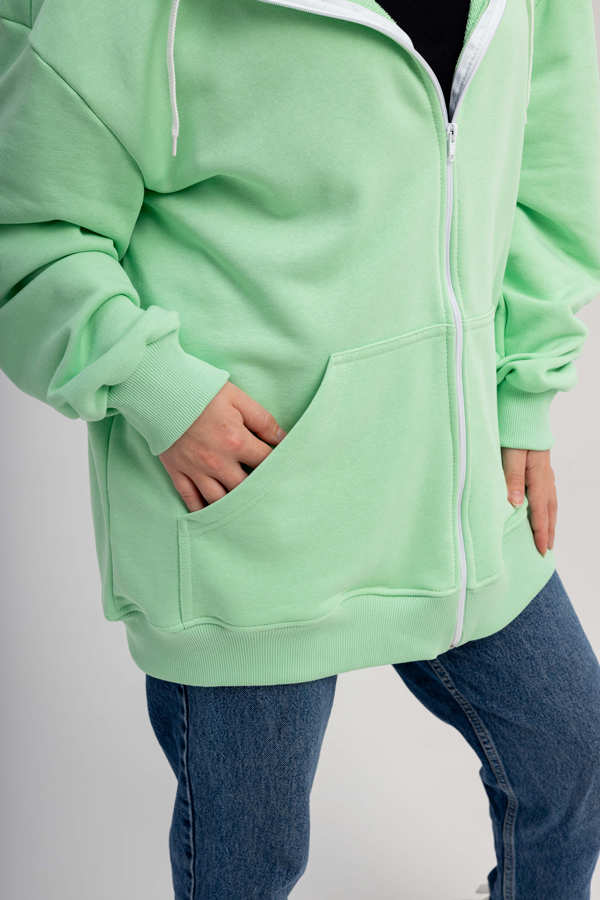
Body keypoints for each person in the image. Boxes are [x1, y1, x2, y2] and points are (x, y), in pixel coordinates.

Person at [1, 0, 600, 896]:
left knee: (571, 756)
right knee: (251, 860)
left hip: (460, 490)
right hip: (249, 512)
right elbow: (28, 227)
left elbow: (552, 163)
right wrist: (153, 384)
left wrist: (525, 389)